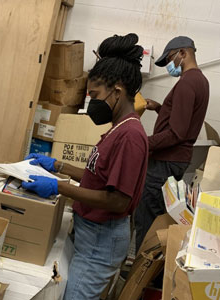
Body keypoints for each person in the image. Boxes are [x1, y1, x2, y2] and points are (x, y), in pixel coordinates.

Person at [23, 33, 149, 300]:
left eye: (95, 95)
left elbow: (116, 200)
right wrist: (59, 165)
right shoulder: (119, 128)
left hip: (101, 242)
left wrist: (59, 186)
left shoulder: (131, 136)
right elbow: (99, 176)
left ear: (117, 92)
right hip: (90, 233)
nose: (91, 102)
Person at [135, 36, 209, 253]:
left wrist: (141, 143)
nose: (170, 65)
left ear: (183, 54)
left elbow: (176, 133)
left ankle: (143, 273)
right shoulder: (200, 81)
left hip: (166, 161)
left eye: (170, 59)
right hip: (174, 160)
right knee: (155, 215)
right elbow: (182, 120)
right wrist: (160, 108)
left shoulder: (187, 83)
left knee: (147, 218)